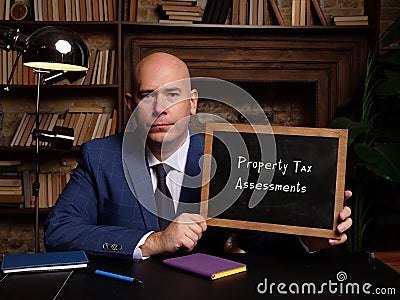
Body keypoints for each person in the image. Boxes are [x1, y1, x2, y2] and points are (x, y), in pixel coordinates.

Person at [44, 52, 352, 260]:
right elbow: (59, 231)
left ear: (193, 103)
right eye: (147, 95)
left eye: (173, 94)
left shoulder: (228, 159)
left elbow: (258, 241)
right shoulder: (100, 157)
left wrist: (309, 239)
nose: (160, 108)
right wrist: (154, 241)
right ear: (131, 103)